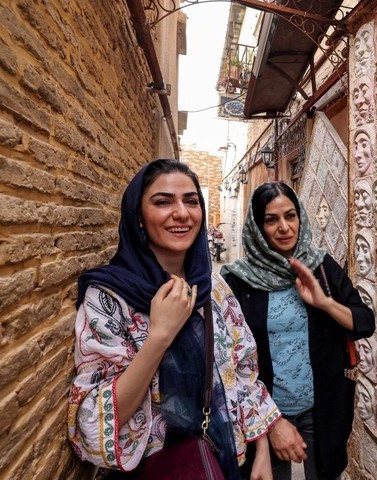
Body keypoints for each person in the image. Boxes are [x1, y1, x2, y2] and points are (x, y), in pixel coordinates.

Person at [68, 160, 280, 479]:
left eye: (191, 201)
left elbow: (243, 369)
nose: (181, 213)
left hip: (217, 460)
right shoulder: (110, 297)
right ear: (138, 217)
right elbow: (95, 425)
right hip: (158, 469)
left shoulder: (213, 286)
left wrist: (261, 449)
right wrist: (160, 336)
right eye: (163, 201)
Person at [222, 182, 376, 480]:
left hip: (321, 409)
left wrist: (325, 303)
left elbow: (364, 321)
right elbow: (231, 361)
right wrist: (264, 433)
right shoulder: (239, 280)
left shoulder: (320, 266)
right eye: (271, 219)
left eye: (290, 216)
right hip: (265, 416)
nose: (284, 227)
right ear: (257, 225)